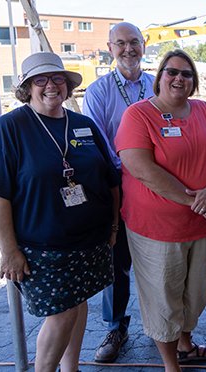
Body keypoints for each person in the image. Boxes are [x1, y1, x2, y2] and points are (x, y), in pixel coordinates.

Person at [0, 52, 118, 372]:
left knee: (79, 303)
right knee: (63, 311)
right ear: (27, 87)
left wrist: (113, 229)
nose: (50, 86)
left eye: (57, 79)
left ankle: (71, 368)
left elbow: (110, 182)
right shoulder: (10, 127)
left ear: (67, 87)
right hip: (43, 248)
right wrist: (9, 250)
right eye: (41, 80)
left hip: (91, 242)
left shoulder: (83, 125)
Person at [115, 50, 206, 371]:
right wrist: (197, 201)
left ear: (194, 82)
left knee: (195, 294)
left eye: (186, 74)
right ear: (160, 78)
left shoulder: (205, 111)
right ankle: (171, 364)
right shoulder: (139, 115)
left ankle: (185, 344)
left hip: (205, 224)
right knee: (164, 297)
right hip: (158, 228)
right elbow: (140, 167)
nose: (179, 78)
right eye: (172, 72)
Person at [83, 22, 155, 363]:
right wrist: (131, 169)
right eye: (121, 43)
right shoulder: (98, 92)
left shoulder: (158, 85)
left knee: (159, 261)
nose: (129, 49)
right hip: (118, 188)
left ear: (144, 45)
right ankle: (115, 326)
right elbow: (98, 144)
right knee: (116, 263)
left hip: (157, 188)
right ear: (110, 48)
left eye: (134, 42)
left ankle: (164, 327)